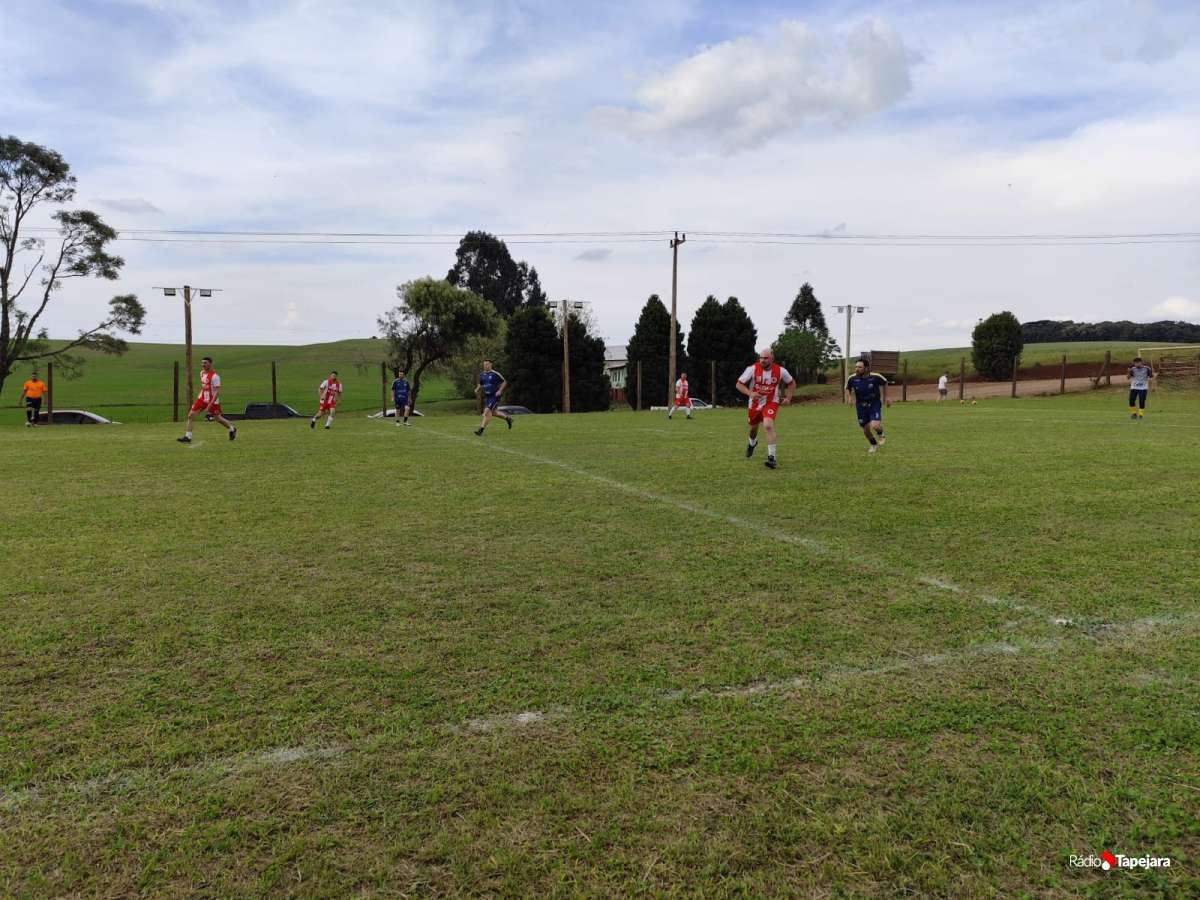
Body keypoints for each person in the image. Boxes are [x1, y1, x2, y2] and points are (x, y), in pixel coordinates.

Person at [735, 348, 795, 469]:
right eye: (761, 358)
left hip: (771, 402)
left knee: (768, 425)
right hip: (754, 404)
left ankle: (771, 458)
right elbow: (739, 384)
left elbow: (792, 382)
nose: (762, 360)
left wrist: (788, 398)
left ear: (772, 358)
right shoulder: (752, 369)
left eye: (765, 358)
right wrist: (751, 393)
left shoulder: (780, 370)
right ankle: (752, 443)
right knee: (753, 430)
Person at [177, 356, 236, 443]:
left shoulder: (215, 377)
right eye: (202, 363)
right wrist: (200, 397)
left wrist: (209, 405)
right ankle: (188, 437)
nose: (203, 365)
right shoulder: (201, 373)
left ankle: (232, 428)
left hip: (212, 401)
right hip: (202, 399)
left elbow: (216, 393)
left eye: (205, 363)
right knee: (190, 415)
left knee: (218, 418)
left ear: (210, 364)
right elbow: (204, 387)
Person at [846, 359, 890, 453]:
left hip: (874, 403)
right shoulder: (852, 378)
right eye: (856, 367)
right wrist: (849, 397)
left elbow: (885, 382)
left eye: (859, 367)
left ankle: (880, 433)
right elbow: (848, 387)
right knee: (866, 430)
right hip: (861, 406)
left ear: (866, 368)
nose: (857, 369)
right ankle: (873, 444)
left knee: (875, 425)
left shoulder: (875, 376)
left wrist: (886, 397)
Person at [474, 359, 512, 435]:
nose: (485, 366)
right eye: (484, 365)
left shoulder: (495, 374)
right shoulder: (482, 374)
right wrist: (477, 389)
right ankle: (508, 418)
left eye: (487, 364)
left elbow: (504, 382)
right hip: (487, 396)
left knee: (487, 411)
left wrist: (500, 390)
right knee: (494, 413)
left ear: (491, 365)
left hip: (494, 396)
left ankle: (480, 430)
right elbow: (481, 384)